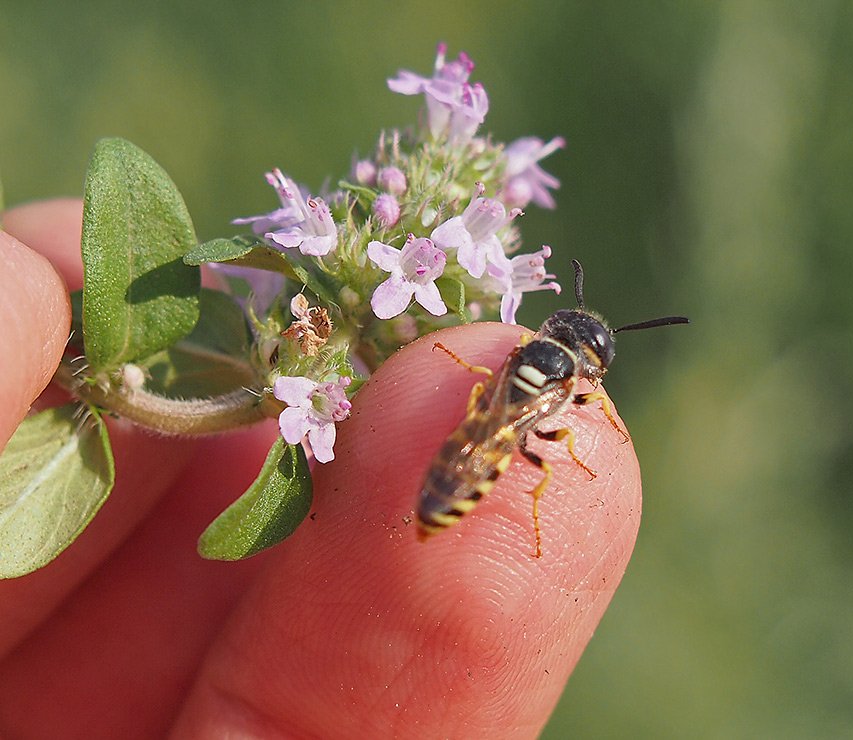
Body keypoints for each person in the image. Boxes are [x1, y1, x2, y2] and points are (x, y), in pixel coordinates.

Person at [0, 199, 642, 738]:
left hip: (466, 452)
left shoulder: (519, 358)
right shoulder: (563, 387)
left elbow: (490, 380)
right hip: (468, 458)